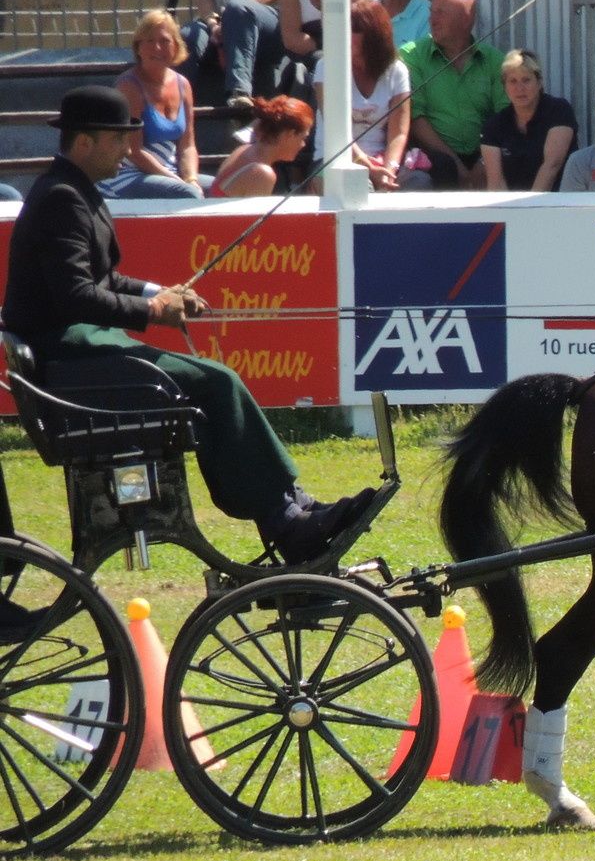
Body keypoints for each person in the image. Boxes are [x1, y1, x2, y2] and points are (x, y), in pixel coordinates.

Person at [1, 86, 373, 563]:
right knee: (217, 382)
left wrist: (160, 291)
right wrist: (154, 312)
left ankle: (290, 509)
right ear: (84, 143)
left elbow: (104, 278)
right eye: (118, 139)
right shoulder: (61, 199)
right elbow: (75, 295)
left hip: (81, 351)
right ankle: (287, 521)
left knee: (215, 381)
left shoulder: (72, 191)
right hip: (69, 361)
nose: (127, 149)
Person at [312, 0, 429, 192]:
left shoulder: (396, 70)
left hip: (381, 159)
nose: (346, 35)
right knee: (360, 187)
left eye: (355, 30)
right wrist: (368, 167)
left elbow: (398, 132)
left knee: (420, 181)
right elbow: (336, 131)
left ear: (375, 35)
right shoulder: (327, 66)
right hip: (334, 160)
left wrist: (388, 170)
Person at [400, 0, 506, 189]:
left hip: (484, 152)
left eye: (441, 13)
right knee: (443, 167)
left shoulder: (494, 60)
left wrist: (484, 162)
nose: (432, 20)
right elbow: (415, 117)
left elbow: (505, 117)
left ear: (466, 19)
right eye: (432, 12)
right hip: (434, 156)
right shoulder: (411, 56)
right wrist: (457, 165)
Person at [101, 10, 207, 200]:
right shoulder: (128, 86)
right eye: (149, 41)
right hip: (127, 174)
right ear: (138, 48)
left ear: (176, 47)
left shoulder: (183, 84)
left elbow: (187, 144)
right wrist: (179, 182)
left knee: (221, 188)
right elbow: (134, 151)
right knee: (188, 195)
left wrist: (190, 178)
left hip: (168, 169)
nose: (157, 48)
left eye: (165, 41)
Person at [480, 50, 576, 192]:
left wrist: (530, 209)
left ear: (539, 83)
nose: (520, 88)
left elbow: (551, 166)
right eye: (513, 81)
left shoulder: (559, 110)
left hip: (557, 204)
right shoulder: (494, 125)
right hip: (512, 208)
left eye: (526, 80)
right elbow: (496, 182)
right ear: (504, 86)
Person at [207, 95, 313, 197]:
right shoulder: (262, 174)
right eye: (303, 138)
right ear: (289, 135)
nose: (303, 145)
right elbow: (255, 216)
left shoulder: (243, 149)